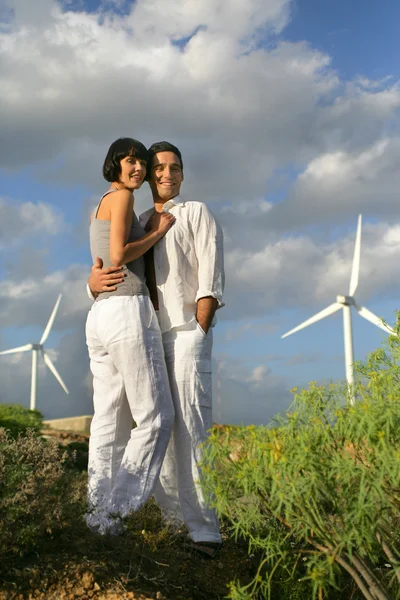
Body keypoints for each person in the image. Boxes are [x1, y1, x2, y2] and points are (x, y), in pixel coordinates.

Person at [88, 141, 225, 558]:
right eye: (159, 167)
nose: (167, 174)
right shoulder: (142, 217)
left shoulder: (195, 211)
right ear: (148, 176)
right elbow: (116, 264)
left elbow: (210, 275)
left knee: (190, 428)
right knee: (153, 427)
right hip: (144, 330)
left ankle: (204, 531)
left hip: (183, 333)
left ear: (183, 174)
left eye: (175, 167)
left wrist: (200, 327)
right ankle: (171, 523)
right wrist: (90, 286)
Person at [85, 137, 175, 535]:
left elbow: (103, 258)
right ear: (115, 164)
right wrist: (159, 231)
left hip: (100, 313)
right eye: (131, 160)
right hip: (125, 311)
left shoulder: (102, 202)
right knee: (157, 416)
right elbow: (119, 255)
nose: (138, 168)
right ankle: (116, 513)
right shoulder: (122, 198)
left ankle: (97, 514)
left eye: (142, 162)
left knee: (108, 422)